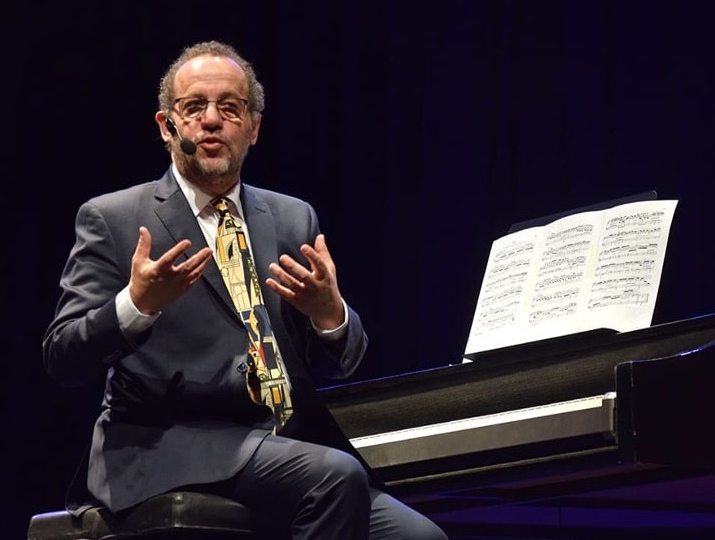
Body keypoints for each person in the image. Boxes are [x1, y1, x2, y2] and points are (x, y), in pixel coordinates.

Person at [42, 40, 448, 540]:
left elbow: (346, 360)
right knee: (334, 476)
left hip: (283, 444)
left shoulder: (291, 217)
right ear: (167, 127)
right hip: (168, 446)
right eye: (194, 107)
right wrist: (136, 306)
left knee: (422, 537)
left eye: (230, 109)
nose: (211, 121)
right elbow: (62, 356)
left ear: (253, 129)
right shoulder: (114, 218)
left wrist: (329, 315)